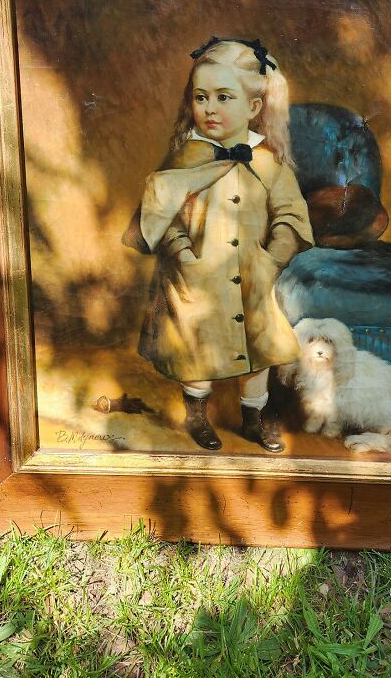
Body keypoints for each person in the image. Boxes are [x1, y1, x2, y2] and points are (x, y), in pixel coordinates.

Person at [123, 37, 314, 452]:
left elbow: (291, 216)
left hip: (252, 274)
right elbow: (162, 213)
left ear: (254, 107)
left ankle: (253, 419)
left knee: (258, 349)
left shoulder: (269, 162)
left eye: (223, 97)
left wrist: (272, 259)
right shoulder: (187, 157)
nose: (209, 108)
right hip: (197, 277)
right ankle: (196, 415)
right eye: (201, 97)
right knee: (197, 350)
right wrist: (182, 252)